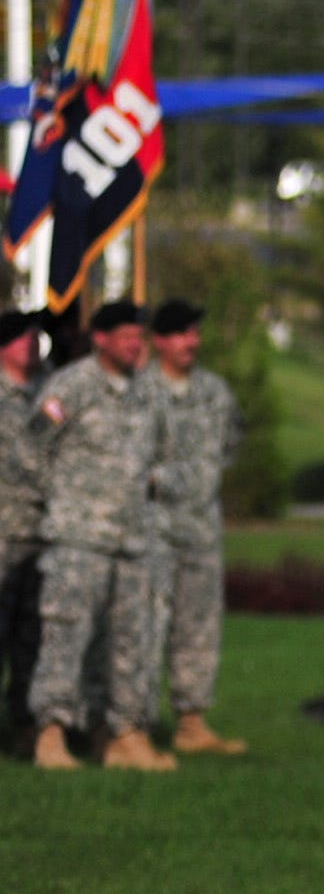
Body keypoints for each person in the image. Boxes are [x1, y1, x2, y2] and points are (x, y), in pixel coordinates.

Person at [28, 302, 169, 771]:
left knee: (131, 643)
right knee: (66, 638)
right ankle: (50, 736)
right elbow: (31, 447)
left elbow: (159, 452)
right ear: (101, 339)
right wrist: (64, 499)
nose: (136, 344)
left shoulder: (142, 392)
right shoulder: (72, 386)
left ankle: (124, 736)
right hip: (79, 539)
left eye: (139, 336)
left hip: (131, 541)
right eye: (126, 335)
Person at [141, 300, 246, 757]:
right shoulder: (139, 390)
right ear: (159, 340)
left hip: (201, 531)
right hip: (153, 532)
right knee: (144, 629)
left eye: (195, 333)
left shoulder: (215, 392)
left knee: (198, 630)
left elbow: (232, 442)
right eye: (182, 333)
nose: (192, 342)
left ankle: (192, 721)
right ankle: (134, 726)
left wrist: (200, 481)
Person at [0, 311, 49, 747]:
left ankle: (22, 725)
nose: (32, 342)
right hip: (2, 536)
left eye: (35, 335)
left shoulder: (49, 393)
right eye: (21, 337)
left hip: (39, 536)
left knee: (31, 641)